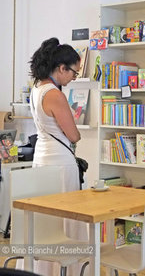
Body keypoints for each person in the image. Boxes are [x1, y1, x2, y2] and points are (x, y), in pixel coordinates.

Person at [26, 37, 87, 275]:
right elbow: (73, 135)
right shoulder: (55, 94)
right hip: (60, 163)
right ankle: (65, 269)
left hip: (42, 158)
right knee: (65, 220)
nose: (74, 77)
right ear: (61, 68)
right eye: (73, 72)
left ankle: (43, 269)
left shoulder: (37, 89)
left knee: (45, 222)